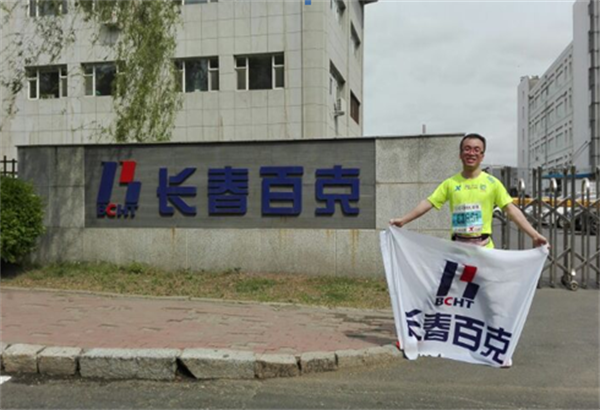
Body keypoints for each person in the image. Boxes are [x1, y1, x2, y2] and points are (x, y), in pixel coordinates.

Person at [389, 133, 548, 249]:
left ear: (482, 156)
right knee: (454, 286)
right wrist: (403, 220)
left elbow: (511, 209)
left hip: (484, 248)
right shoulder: (450, 183)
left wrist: (534, 235)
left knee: (484, 286)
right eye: (467, 149)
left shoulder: (492, 183)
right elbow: (428, 203)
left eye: (477, 150)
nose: (471, 153)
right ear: (460, 154)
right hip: (458, 248)